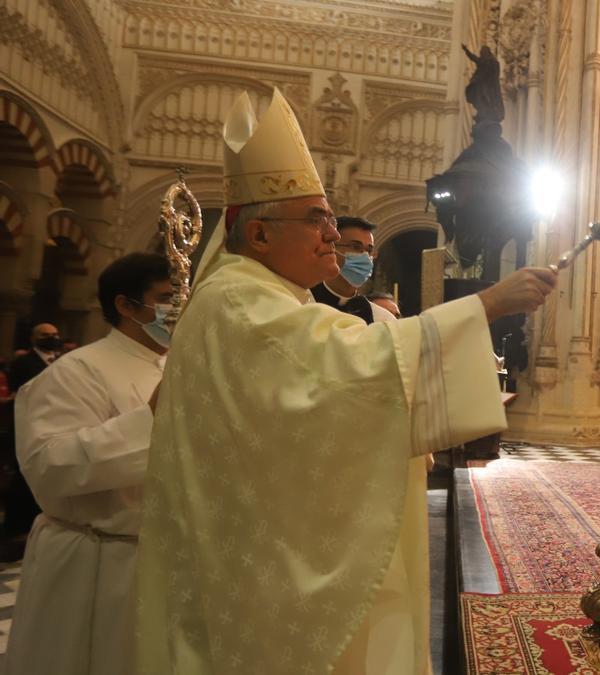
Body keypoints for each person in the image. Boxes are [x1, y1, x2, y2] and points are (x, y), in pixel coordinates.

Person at [135, 88, 555, 675]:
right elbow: (353, 366)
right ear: (257, 236)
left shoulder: (262, 297)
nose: (332, 235)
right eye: (316, 220)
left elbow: (329, 379)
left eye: (332, 219)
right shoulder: (238, 302)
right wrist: (486, 304)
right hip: (254, 570)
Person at [8, 253, 172, 675]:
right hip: (94, 560)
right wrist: (150, 421)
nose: (179, 309)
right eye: (168, 297)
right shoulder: (74, 372)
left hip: (164, 562)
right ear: (125, 305)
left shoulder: (180, 367)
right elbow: (49, 466)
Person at [2, 323, 61, 544]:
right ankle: (14, 530)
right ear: (34, 338)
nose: (52, 338)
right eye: (46, 335)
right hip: (29, 422)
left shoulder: (61, 360)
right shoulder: (23, 362)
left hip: (54, 423)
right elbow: (24, 392)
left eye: (55, 335)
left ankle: (34, 524)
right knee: (22, 477)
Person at [311, 216, 393, 324]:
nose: (364, 256)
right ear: (331, 248)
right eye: (355, 246)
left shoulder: (381, 318)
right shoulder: (303, 302)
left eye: (369, 250)